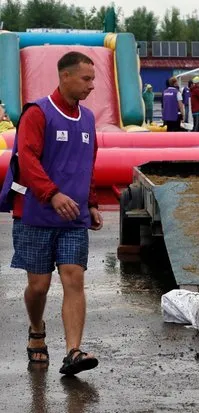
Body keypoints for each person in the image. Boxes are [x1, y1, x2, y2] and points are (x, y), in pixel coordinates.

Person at [0, 51, 102, 375]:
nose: (91, 86)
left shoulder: (87, 119)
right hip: (36, 215)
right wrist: (52, 194)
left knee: (74, 278)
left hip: (73, 219)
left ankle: (73, 351)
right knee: (39, 287)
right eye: (86, 79)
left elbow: (88, 164)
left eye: (94, 79)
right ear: (65, 76)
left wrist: (93, 202)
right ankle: (36, 330)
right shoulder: (37, 113)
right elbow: (27, 160)